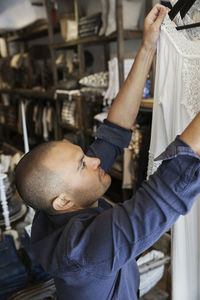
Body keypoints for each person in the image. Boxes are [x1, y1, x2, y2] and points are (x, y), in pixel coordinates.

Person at [15, 5, 200, 300]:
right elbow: (165, 191)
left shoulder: (57, 209)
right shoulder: (83, 250)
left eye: (83, 154)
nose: (93, 159)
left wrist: (147, 47)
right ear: (62, 200)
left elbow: (113, 132)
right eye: (81, 164)